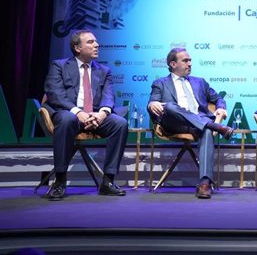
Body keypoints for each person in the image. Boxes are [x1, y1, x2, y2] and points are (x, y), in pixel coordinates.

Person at [42, 29, 128, 200]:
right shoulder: (59, 66)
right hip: (69, 113)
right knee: (67, 119)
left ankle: (108, 181)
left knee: (120, 123)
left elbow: (108, 95)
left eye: (96, 42)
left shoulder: (104, 71)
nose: (96, 45)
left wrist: (102, 114)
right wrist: (78, 112)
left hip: (95, 117)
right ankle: (59, 180)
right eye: (90, 42)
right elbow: (54, 93)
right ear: (77, 47)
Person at [147, 48, 232, 199]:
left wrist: (221, 108)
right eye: (185, 61)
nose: (190, 63)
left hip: (197, 125)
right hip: (174, 123)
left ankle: (205, 184)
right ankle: (214, 126)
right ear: (173, 64)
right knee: (169, 106)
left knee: (205, 130)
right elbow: (153, 101)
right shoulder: (160, 83)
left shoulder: (200, 82)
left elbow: (218, 98)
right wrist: (152, 103)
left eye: (190, 60)